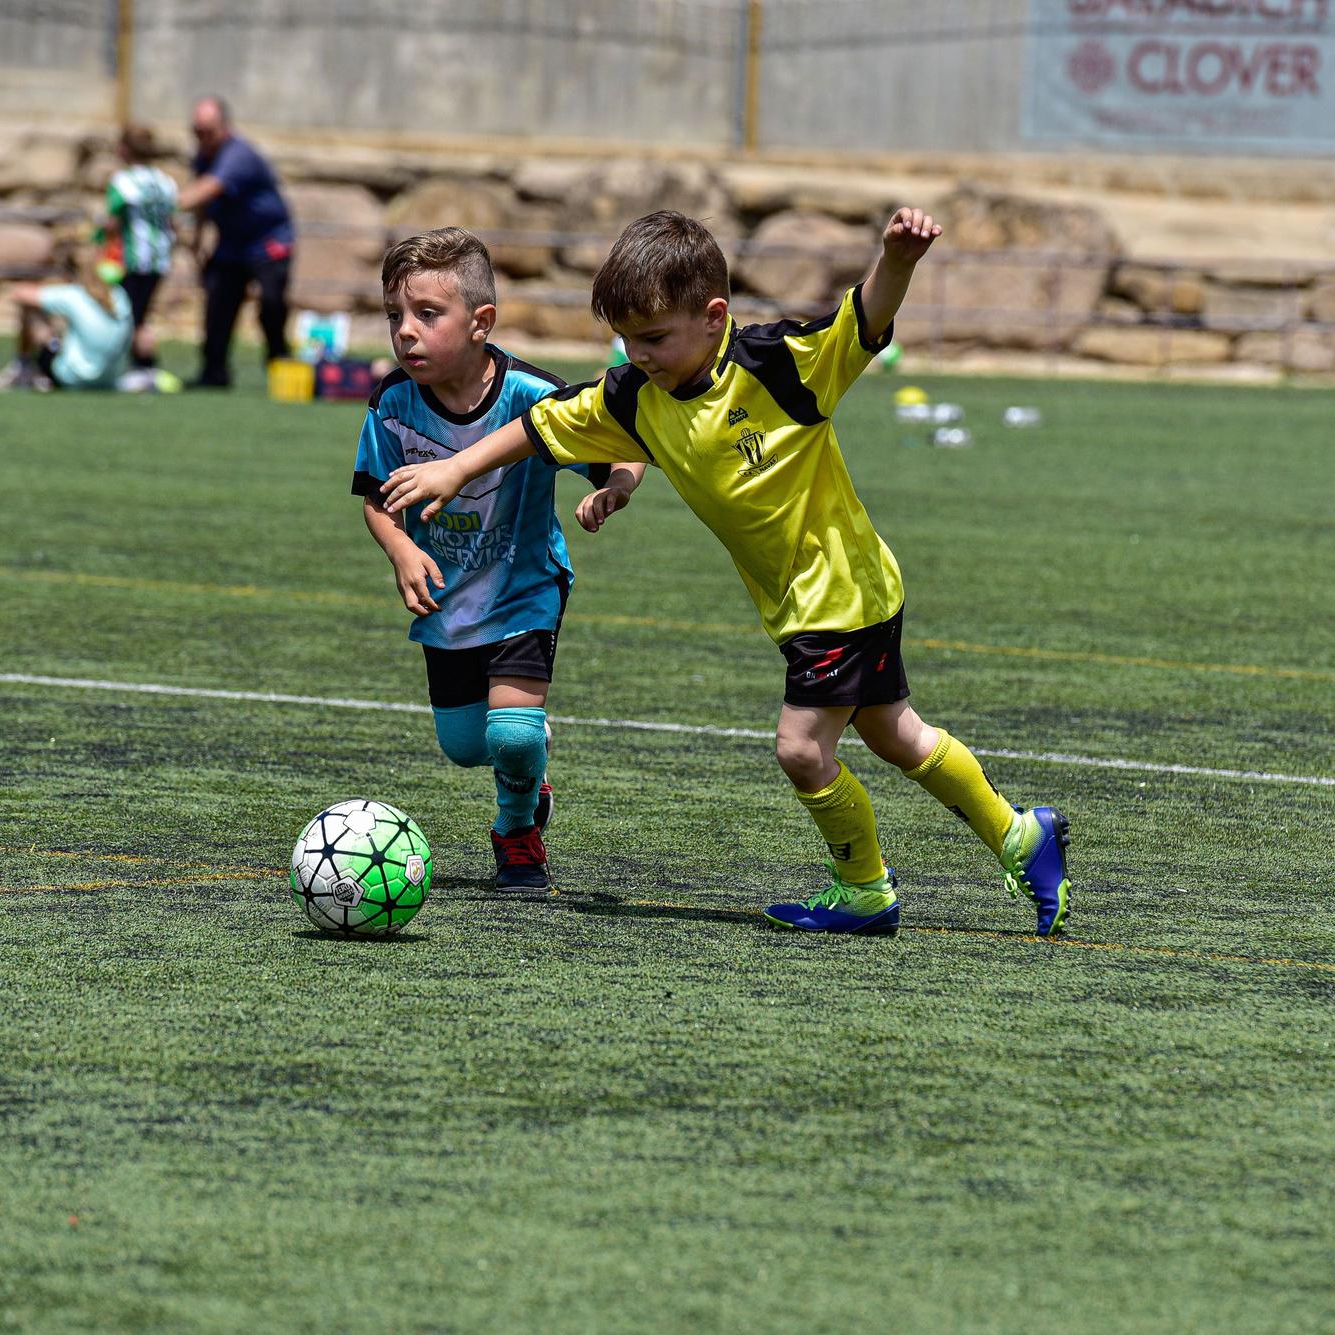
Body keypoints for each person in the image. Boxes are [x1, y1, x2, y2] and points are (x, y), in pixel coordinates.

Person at [379, 208, 1074, 937]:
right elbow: (541, 425)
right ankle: (1023, 837)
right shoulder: (634, 397)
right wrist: (456, 469)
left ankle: (866, 891)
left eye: (654, 337)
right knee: (897, 734)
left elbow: (863, 319)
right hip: (827, 595)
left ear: (714, 316)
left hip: (836, 594)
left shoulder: (780, 365)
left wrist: (897, 258)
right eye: (627, 339)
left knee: (802, 749)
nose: (639, 354)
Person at [354, 227, 645, 889]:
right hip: (447, 596)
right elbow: (376, 499)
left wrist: (616, 488)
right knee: (465, 746)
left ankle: (516, 831)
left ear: (481, 322)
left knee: (510, 734)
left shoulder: (531, 396)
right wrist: (401, 548)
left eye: (427, 314)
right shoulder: (392, 405)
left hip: (524, 588)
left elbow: (627, 445)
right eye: (395, 316)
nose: (405, 332)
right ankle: (530, 769)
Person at [177, 96, 293, 389]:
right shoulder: (203, 157)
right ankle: (213, 373)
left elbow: (208, 189)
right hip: (232, 244)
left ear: (223, 127)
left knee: (271, 304)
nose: (201, 136)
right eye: (196, 130)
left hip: (268, 240)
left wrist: (162, 203)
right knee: (217, 305)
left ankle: (279, 364)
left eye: (207, 130)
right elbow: (205, 205)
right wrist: (198, 238)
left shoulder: (238, 154)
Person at [0, 250, 133, 392]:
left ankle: (22, 364)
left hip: (72, 377)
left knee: (31, 309)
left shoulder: (73, 294)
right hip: (111, 380)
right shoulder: (119, 294)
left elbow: (19, 293)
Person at [100, 123, 178, 381]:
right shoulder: (165, 181)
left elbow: (112, 223)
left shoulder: (123, 182)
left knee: (129, 314)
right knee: (142, 313)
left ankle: (140, 366)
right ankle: (143, 365)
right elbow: (171, 220)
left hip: (132, 258)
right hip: (159, 257)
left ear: (124, 149)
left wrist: (97, 242)